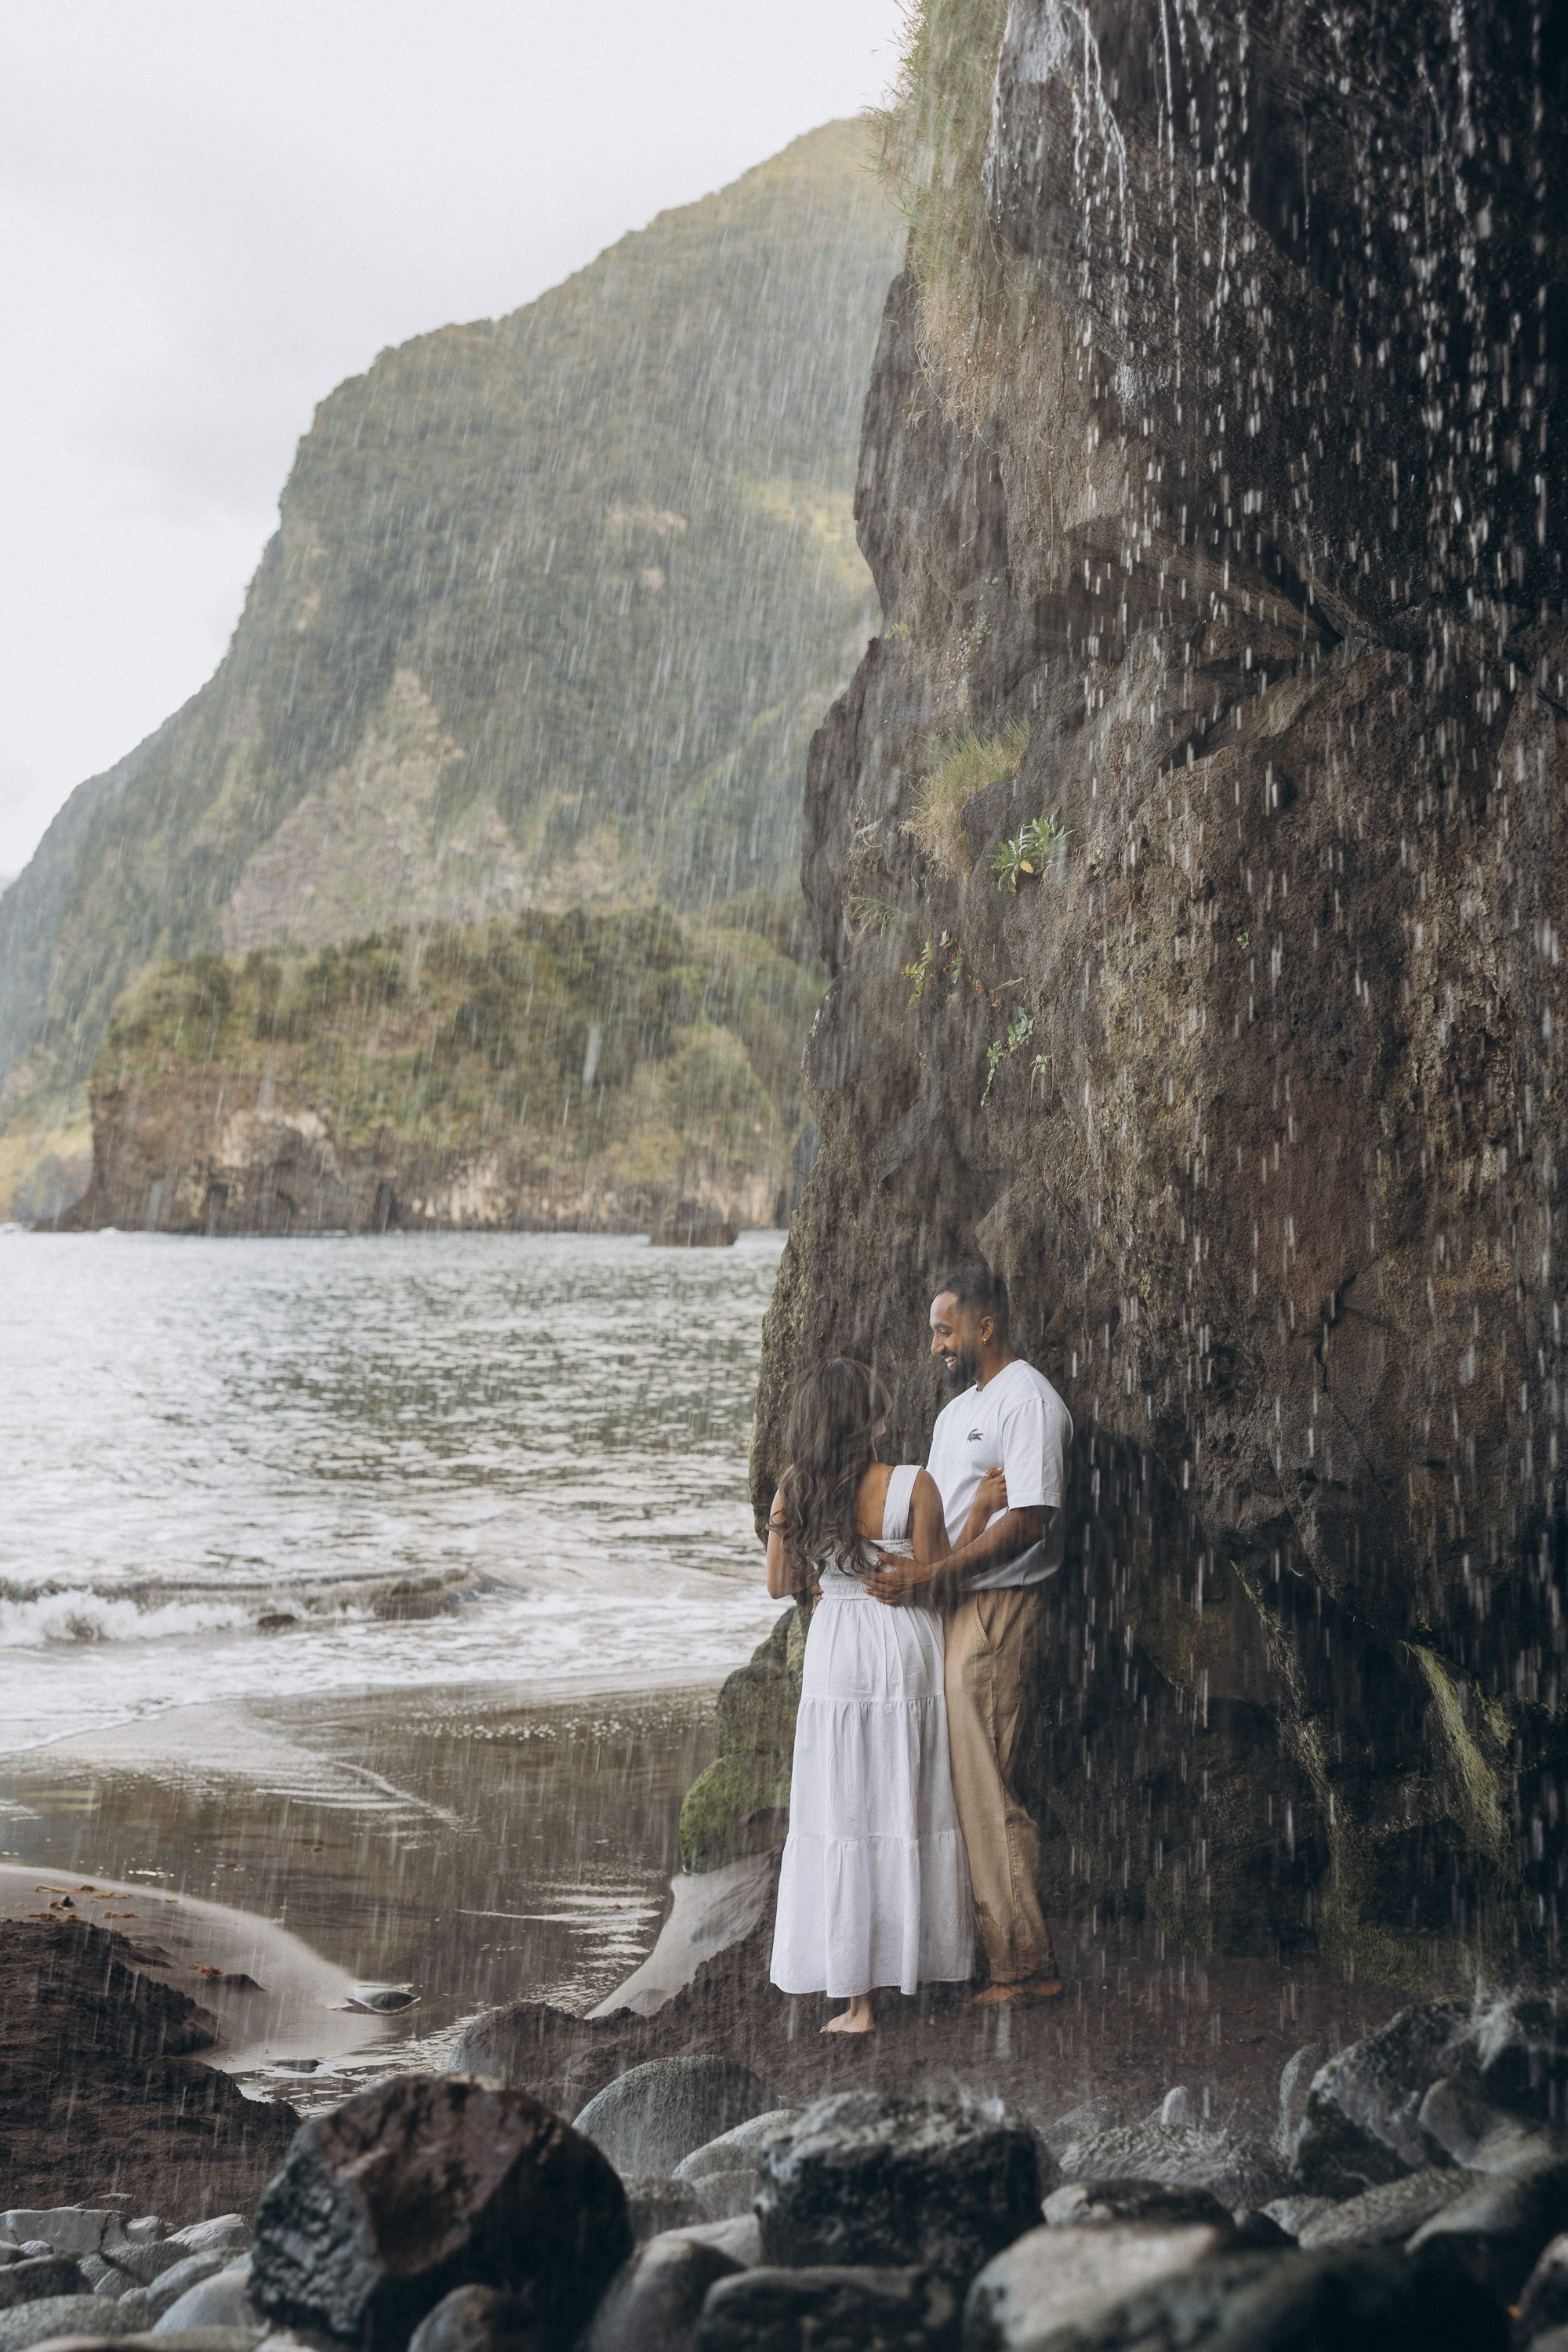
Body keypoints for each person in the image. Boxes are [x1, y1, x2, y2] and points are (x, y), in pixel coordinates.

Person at [764, 1356, 1002, 2033]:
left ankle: (858, 2001)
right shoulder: (912, 1484)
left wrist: (797, 1529)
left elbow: (781, 1585)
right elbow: (942, 1580)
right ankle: (914, 1962)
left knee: (845, 1811)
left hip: (838, 1656)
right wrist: (982, 1509)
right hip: (905, 1651)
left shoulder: (795, 1493)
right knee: (910, 1796)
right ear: (870, 1419)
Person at [867, 1265, 1071, 2006]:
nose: (935, 1347)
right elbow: (946, 1520)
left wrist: (936, 1577)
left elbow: (1034, 1518)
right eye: (933, 1333)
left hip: (999, 1608)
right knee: (956, 1784)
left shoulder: (1030, 1402)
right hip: (950, 1606)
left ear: (985, 1328)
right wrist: (904, 1573)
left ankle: (1026, 1967)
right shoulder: (957, 1416)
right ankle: (984, 1949)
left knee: (986, 1785)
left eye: (944, 1331)